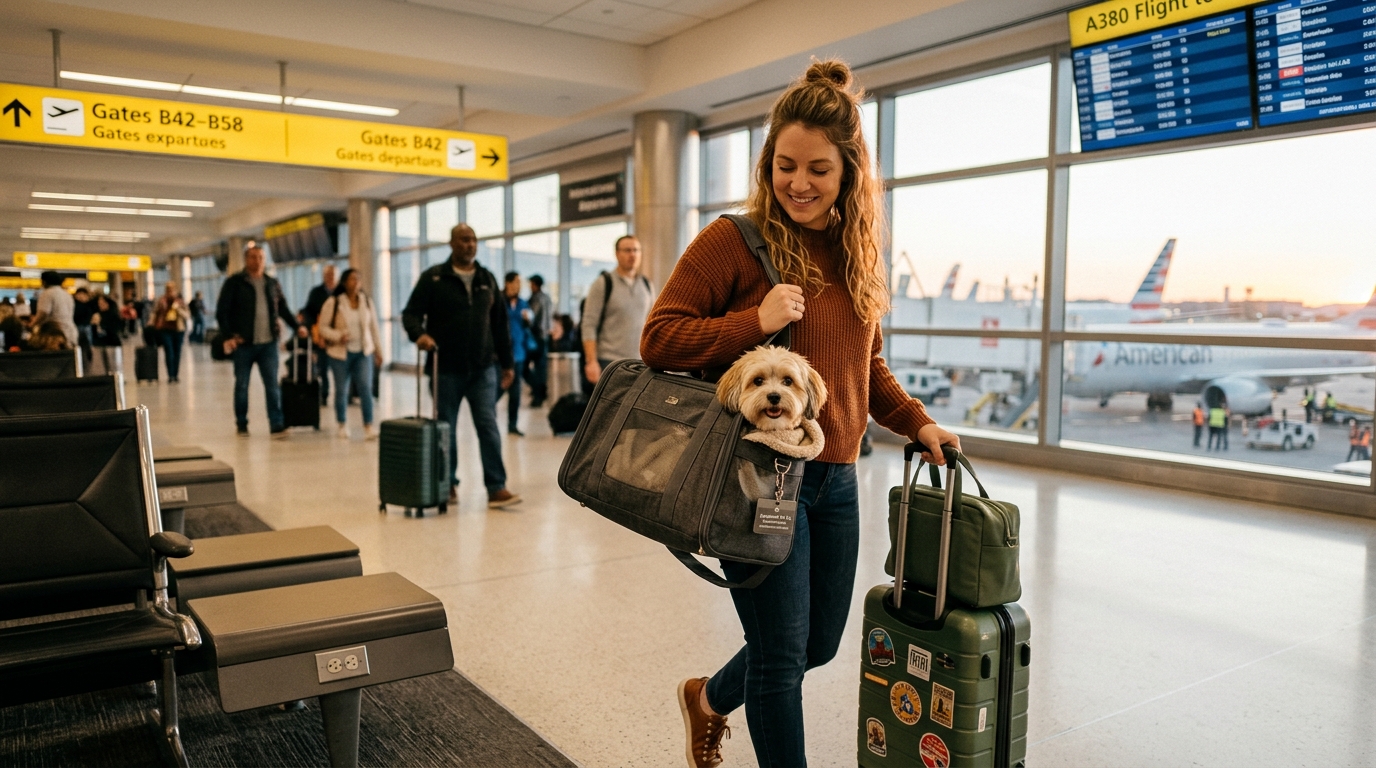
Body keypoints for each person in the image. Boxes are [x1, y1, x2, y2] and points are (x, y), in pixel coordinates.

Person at [641, 59, 961, 768]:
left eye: (818, 168)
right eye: (786, 165)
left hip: (836, 478)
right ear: (768, 163)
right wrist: (753, 320)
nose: (799, 183)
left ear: (849, 171)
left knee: (816, 644)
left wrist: (916, 421)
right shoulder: (734, 239)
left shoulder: (855, 254)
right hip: (757, 477)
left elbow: (863, 368)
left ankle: (706, 698)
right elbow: (659, 336)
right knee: (781, 658)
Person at [401, 223, 522, 510]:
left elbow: (500, 324)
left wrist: (507, 364)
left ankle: (496, 487)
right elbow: (410, 314)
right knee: (446, 429)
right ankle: (447, 484)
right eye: (464, 240)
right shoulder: (434, 278)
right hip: (444, 369)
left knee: (488, 425)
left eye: (473, 240)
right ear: (452, 244)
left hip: (483, 369)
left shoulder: (486, 279)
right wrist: (419, 334)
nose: (470, 245)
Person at [216, 245, 304, 438]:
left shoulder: (272, 283)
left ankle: (276, 424)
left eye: (261, 258)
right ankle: (241, 423)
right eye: (254, 257)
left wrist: (297, 327)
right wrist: (229, 335)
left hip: (268, 344)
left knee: (272, 384)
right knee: (242, 385)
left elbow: (283, 308)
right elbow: (222, 312)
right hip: (243, 344)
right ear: (247, 260)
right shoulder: (235, 282)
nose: (258, 261)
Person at [580, 234, 655, 389]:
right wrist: (591, 361)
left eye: (636, 250)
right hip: (610, 362)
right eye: (627, 250)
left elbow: (652, 324)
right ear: (617, 254)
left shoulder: (647, 285)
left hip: (641, 363)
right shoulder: (603, 283)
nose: (632, 254)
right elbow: (589, 324)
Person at [318, 268, 384, 440]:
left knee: (365, 388)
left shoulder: (366, 302)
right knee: (341, 390)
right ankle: (342, 423)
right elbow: (323, 328)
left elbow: (374, 328)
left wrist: (379, 351)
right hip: (340, 353)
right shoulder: (334, 302)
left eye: (358, 280)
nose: (356, 283)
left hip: (363, 352)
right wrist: (338, 335)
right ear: (345, 282)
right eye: (352, 279)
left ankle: (368, 425)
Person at [304, 265, 339, 404]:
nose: (331, 277)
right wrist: (315, 333)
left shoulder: (341, 293)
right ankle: (324, 394)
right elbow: (309, 313)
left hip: (338, 336)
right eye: (328, 274)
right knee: (322, 367)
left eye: (333, 274)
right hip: (321, 335)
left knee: (340, 368)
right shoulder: (316, 292)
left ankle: (343, 395)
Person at [502, 272, 532, 436]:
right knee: (496, 390)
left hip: (518, 353)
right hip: (500, 353)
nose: (518, 287)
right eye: (515, 283)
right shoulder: (499, 301)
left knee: (515, 392)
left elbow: (529, 324)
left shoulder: (523, 304)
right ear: (507, 283)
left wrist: (528, 319)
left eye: (520, 284)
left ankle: (512, 424)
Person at [524, 274, 553, 407]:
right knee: (540, 368)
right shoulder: (547, 298)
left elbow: (532, 318)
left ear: (535, 284)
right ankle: (540, 391)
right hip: (545, 337)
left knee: (525, 367)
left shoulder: (535, 299)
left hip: (535, 338)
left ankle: (538, 393)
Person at [152, 282, 190, 383]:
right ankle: (170, 375)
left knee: (177, 352)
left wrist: (178, 309)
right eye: (168, 290)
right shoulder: (161, 301)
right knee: (169, 351)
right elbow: (155, 313)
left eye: (172, 290)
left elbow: (187, 315)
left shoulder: (180, 302)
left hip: (178, 330)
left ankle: (175, 374)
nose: (170, 292)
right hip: (165, 329)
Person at [32, 271, 78, 349]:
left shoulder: (47, 293)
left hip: (54, 333)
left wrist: (32, 324)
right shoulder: (67, 294)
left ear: (45, 281)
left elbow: (43, 313)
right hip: (71, 331)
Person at [90, 294, 124, 374]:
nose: (100, 306)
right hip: (100, 342)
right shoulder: (97, 314)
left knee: (114, 365)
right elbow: (94, 332)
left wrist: (102, 323)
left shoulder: (113, 315)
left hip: (111, 343)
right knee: (102, 365)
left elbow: (115, 329)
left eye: (102, 303)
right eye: (99, 304)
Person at [72, 287, 95, 369]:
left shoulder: (89, 304)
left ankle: (88, 358)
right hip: (77, 326)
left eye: (83, 294)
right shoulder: (73, 304)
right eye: (79, 294)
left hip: (86, 326)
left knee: (88, 343)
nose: (81, 296)